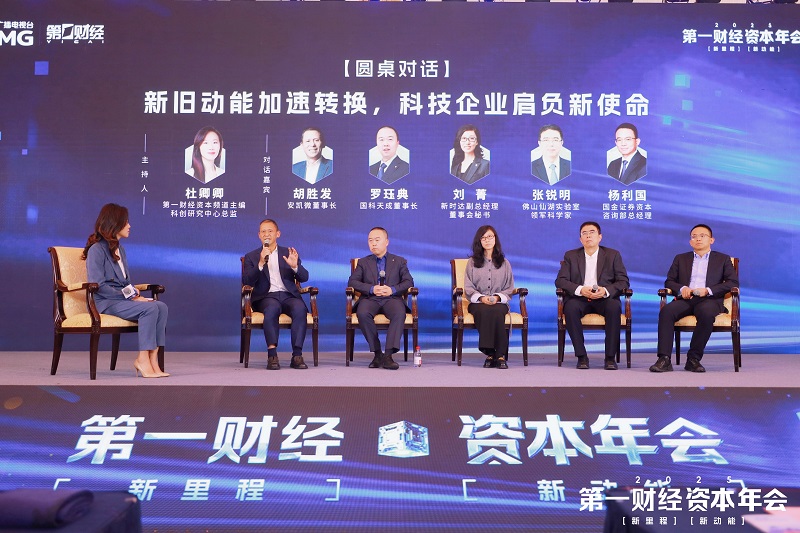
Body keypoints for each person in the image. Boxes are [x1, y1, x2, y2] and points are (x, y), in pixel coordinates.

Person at [82, 203, 168, 378]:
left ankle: (153, 359)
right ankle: (142, 359)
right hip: (105, 302)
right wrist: (130, 296)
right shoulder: (96, 250)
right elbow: (99, 285)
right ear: (115, 223)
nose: (129, 226)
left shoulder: (120, 249)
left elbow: (126, 283)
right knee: (150, 309)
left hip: (121, 300)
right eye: (126, 222)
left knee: (161, 307)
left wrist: (134, 295)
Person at [649, 224, 738, 373]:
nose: (698, 239)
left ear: (711, 240)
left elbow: (732, 283)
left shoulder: (723, 259)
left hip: (710, 300)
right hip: (686, 299)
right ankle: (664, 359)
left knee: (706, 313)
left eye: (702, 236)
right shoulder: (680, 258)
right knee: (666, 312)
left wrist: (708, 290)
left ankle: (693, 359)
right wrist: (682, 288)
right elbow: (669, 282)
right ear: (690, 242)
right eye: (694, 236)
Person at [555, 221, 630, 370]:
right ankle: (581, 356)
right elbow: (560, 281)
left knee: (614, 307)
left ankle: (610, 358)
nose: (588, 236)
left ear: (600, 237)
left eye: (592, 232)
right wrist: (580, 289)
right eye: (584, 233)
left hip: (604, 298)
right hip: (580, 298)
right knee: (570, 308)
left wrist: (606, 290)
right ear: (580, 239)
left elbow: (623, 281)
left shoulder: (613, 255)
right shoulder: (571, 256)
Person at [242, 219, 310, 370]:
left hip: (288, 295)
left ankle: (297, 355)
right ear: (259, 235)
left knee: (300, 308)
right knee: (272, 308)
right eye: (263, 232)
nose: (266, 234)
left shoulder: (288, 253)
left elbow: (304, 277)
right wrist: (260, 263)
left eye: (270, 231)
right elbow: (247, 280)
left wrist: (295, 267)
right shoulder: (252, 256)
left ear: (278, 234)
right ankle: (272, 355)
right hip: (265, 297)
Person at [348, 227, 414, 370]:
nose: (373, 243)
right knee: (362, 313)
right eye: (370, 240)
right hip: (370, 298)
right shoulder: (363, 262)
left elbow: (409, 282)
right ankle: (377, 353)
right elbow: (352, 282)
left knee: (399, 313)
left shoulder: (399, 261)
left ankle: (388, 356)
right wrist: (372, 288)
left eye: (377, 240)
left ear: (387, 242)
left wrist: (392, 289)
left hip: (392, 298)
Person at [464, 225, 515, 369]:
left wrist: (497, 298)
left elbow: (509, 287)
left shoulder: (505, 263)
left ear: (495, 239)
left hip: (499, 302)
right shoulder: (472, 262)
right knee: (484, 310)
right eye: (483, 238)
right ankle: (493, 353)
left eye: (490, 237)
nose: (487, 240)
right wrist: (481, 298)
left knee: (497, 311)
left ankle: (497, 355)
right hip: (478, 302)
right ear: (479, 241)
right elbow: (468, 287)